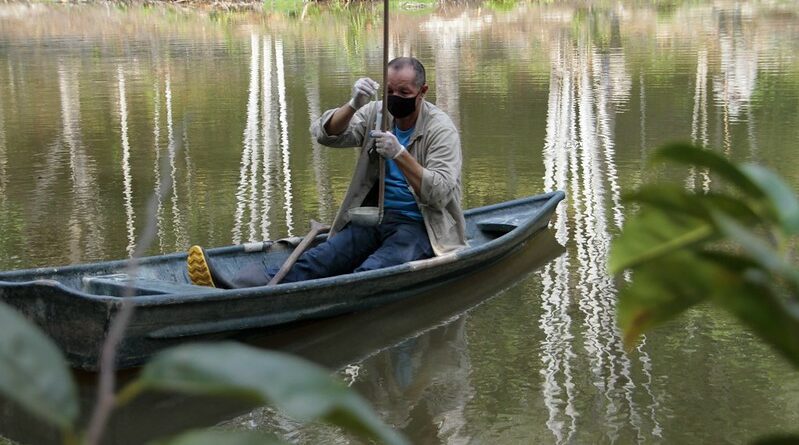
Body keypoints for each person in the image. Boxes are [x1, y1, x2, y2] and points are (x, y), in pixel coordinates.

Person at [187, 56, 466, 288]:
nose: (395, 98)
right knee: (321, 258)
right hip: (374, 218)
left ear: (423, 91)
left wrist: (400, 154)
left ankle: (337, 301)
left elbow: (439, 193)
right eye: (390, 91)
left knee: (371, 273)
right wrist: (354, 103)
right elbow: (326, 134)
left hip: (419, 226)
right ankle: (242, 285)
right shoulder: (377, 113)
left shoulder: (440, 129)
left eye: (404, 93)